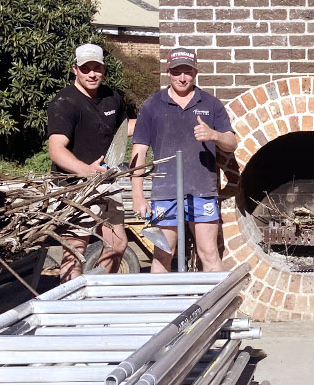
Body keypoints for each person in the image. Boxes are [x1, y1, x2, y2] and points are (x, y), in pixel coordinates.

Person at [130, 48, 237, 273]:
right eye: (176, 71)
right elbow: (138, 152)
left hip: (202, 191)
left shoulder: (211, 104)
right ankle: (160, 307)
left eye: (187, 72)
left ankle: (216, 308)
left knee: (208, 253)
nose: (182, 78)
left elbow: (232, 142)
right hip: (165, 193)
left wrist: (214, 135)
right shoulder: (152, 106)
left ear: (195, 72)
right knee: (162, 254)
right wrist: (138, 195)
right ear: (168, 72)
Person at [47, 43, 134, 282]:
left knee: (117, 245)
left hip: (107, 183)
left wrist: (161, 122)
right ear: (75, 69)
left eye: (97, 68)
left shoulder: (111, 97)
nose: (92, 74)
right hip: (75, 186)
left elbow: (124, 128)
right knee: (75, 250)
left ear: (104, 69)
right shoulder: (65, 102)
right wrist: (87, 171)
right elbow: (56, 150)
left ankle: (98, 294)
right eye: (86, 68)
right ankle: (71, 307)